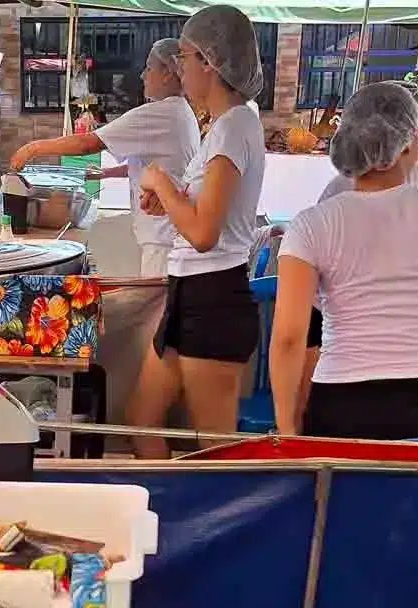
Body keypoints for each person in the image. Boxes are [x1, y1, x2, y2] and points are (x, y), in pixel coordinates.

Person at [270, 82, 418, 440]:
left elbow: (288, 339)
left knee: (343, 480)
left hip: (340, 395)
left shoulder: (312, 224)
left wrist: (286, 426)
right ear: (409, 141)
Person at [128, 6, 266, 458]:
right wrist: (168, 196)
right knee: (142, 419)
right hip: (190, 291)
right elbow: (203, 211)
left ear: (209, 61)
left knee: (215, 447)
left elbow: (205, 233)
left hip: (214, 297)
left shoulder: (234, 127)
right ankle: (163, 501)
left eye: (184, 57)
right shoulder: (223, 128)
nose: (180, 68)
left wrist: (161, 182)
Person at [10, 38, 200, 278]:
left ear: (167, 74)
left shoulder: (161, 113)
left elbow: (87, 143)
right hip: (168, 234)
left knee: (158, 300)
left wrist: (33, 148)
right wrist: (107, 173)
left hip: (163, 239)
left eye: (149, 68)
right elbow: (155, 165)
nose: (142, 75)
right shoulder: (180, 112)